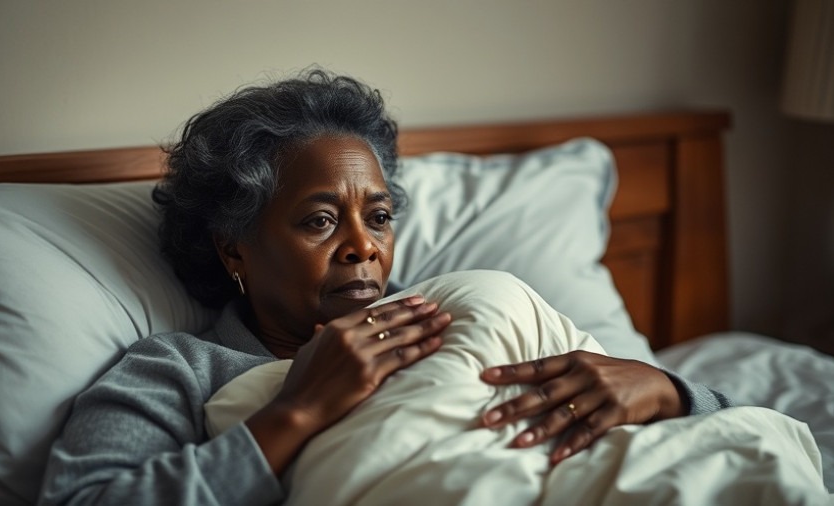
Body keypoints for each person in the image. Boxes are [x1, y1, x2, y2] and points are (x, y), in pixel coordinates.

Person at [38, 69, 732, 505]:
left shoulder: (461, 315)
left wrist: (670, 393)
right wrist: (295, 415)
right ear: (234, 248)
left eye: (377, 217)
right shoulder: (177, 372)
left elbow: (715, 450)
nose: (364, 245)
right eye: (318, 220)